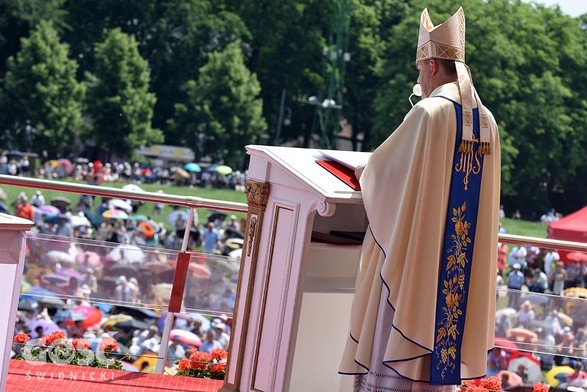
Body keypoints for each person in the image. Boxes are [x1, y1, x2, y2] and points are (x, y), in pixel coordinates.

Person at [339, 7, 501, 390]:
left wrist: (366, 174)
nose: (419, 79)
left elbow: (388, 178)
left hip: (419, 261)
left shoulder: (429, 113)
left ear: (430, 66)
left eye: (419, 70)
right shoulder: (486, 120)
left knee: (400, 311)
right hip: (456, 267)